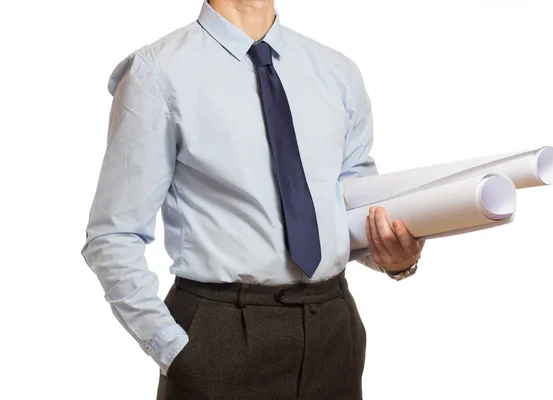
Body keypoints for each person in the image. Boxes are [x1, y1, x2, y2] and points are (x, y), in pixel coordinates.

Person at [80, 0, 425, 398]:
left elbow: (352, 208)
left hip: (333, 327)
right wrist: (174, 350)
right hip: (219, 336)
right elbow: (112, 235)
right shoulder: (157, 73)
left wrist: (392, 260)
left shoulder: (337, 72)